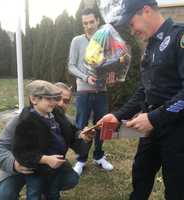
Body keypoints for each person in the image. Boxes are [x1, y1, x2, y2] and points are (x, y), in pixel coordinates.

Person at [98, 0, 184, 199]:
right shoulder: (150, 46)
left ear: (146, 11)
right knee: (141, 175)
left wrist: (153, 118)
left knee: (177, 186)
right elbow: (144, 90)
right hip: (151, 127)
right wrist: (117, 116)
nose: (131, 30)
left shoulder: (179, 36)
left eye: (131, 23)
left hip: (177, 129)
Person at [0, 80, 93, 200]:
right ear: (35, 99)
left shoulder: (63, 120)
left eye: (65, 101)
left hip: (47, 167)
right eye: (56, 98)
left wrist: (84, 137)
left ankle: (46, 191)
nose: (60, 103)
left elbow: (75, 139)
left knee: (70, 179)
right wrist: (14, 164)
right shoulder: (22, 120)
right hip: (20, 163)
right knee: (5, 195)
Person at [68, 8, 113, 175]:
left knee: (103, 124)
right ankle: (81, 159)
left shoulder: (106, 40)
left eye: (91, 22)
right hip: (84, 91)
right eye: (85, 23)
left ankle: (99, 156)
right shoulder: (77, 41)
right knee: (82, 126)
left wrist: (112, 75)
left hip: (102, 90)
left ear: (97, 21)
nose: (88, 25)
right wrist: (86, 78)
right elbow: (71, 65)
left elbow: (111, 64)